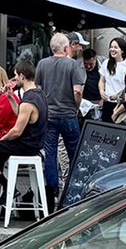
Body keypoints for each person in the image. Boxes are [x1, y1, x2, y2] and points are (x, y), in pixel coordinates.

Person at [0, 59, 48, 204]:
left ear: (23, 76)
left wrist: (1, 139)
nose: (14, 78)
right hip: (34, 145)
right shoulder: (40, 94)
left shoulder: (28, 100)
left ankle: (7, 186)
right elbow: (21, 114)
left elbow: (17, 131)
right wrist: (11, 98)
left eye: (16, 75)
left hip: (23, 146)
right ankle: (4, 189)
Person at [36, 32, 84, 201]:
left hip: (49, 114)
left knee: (50, 154)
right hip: (68, 113)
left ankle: (52, 193)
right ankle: (75, 191)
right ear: (65, 48)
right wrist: (76, 106)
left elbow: (38, 90)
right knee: (75, 154)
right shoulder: (72, 65)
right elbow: (77, 90)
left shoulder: (42, 64)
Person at [98, 38, 126, 124]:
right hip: (107, 102)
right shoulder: (106, 63)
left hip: (120, 104)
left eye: (116, 47)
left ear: (122, 50)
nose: (112, 49)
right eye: (111, 47)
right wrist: (101, 91)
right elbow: (102, 80)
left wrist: (118, 96)